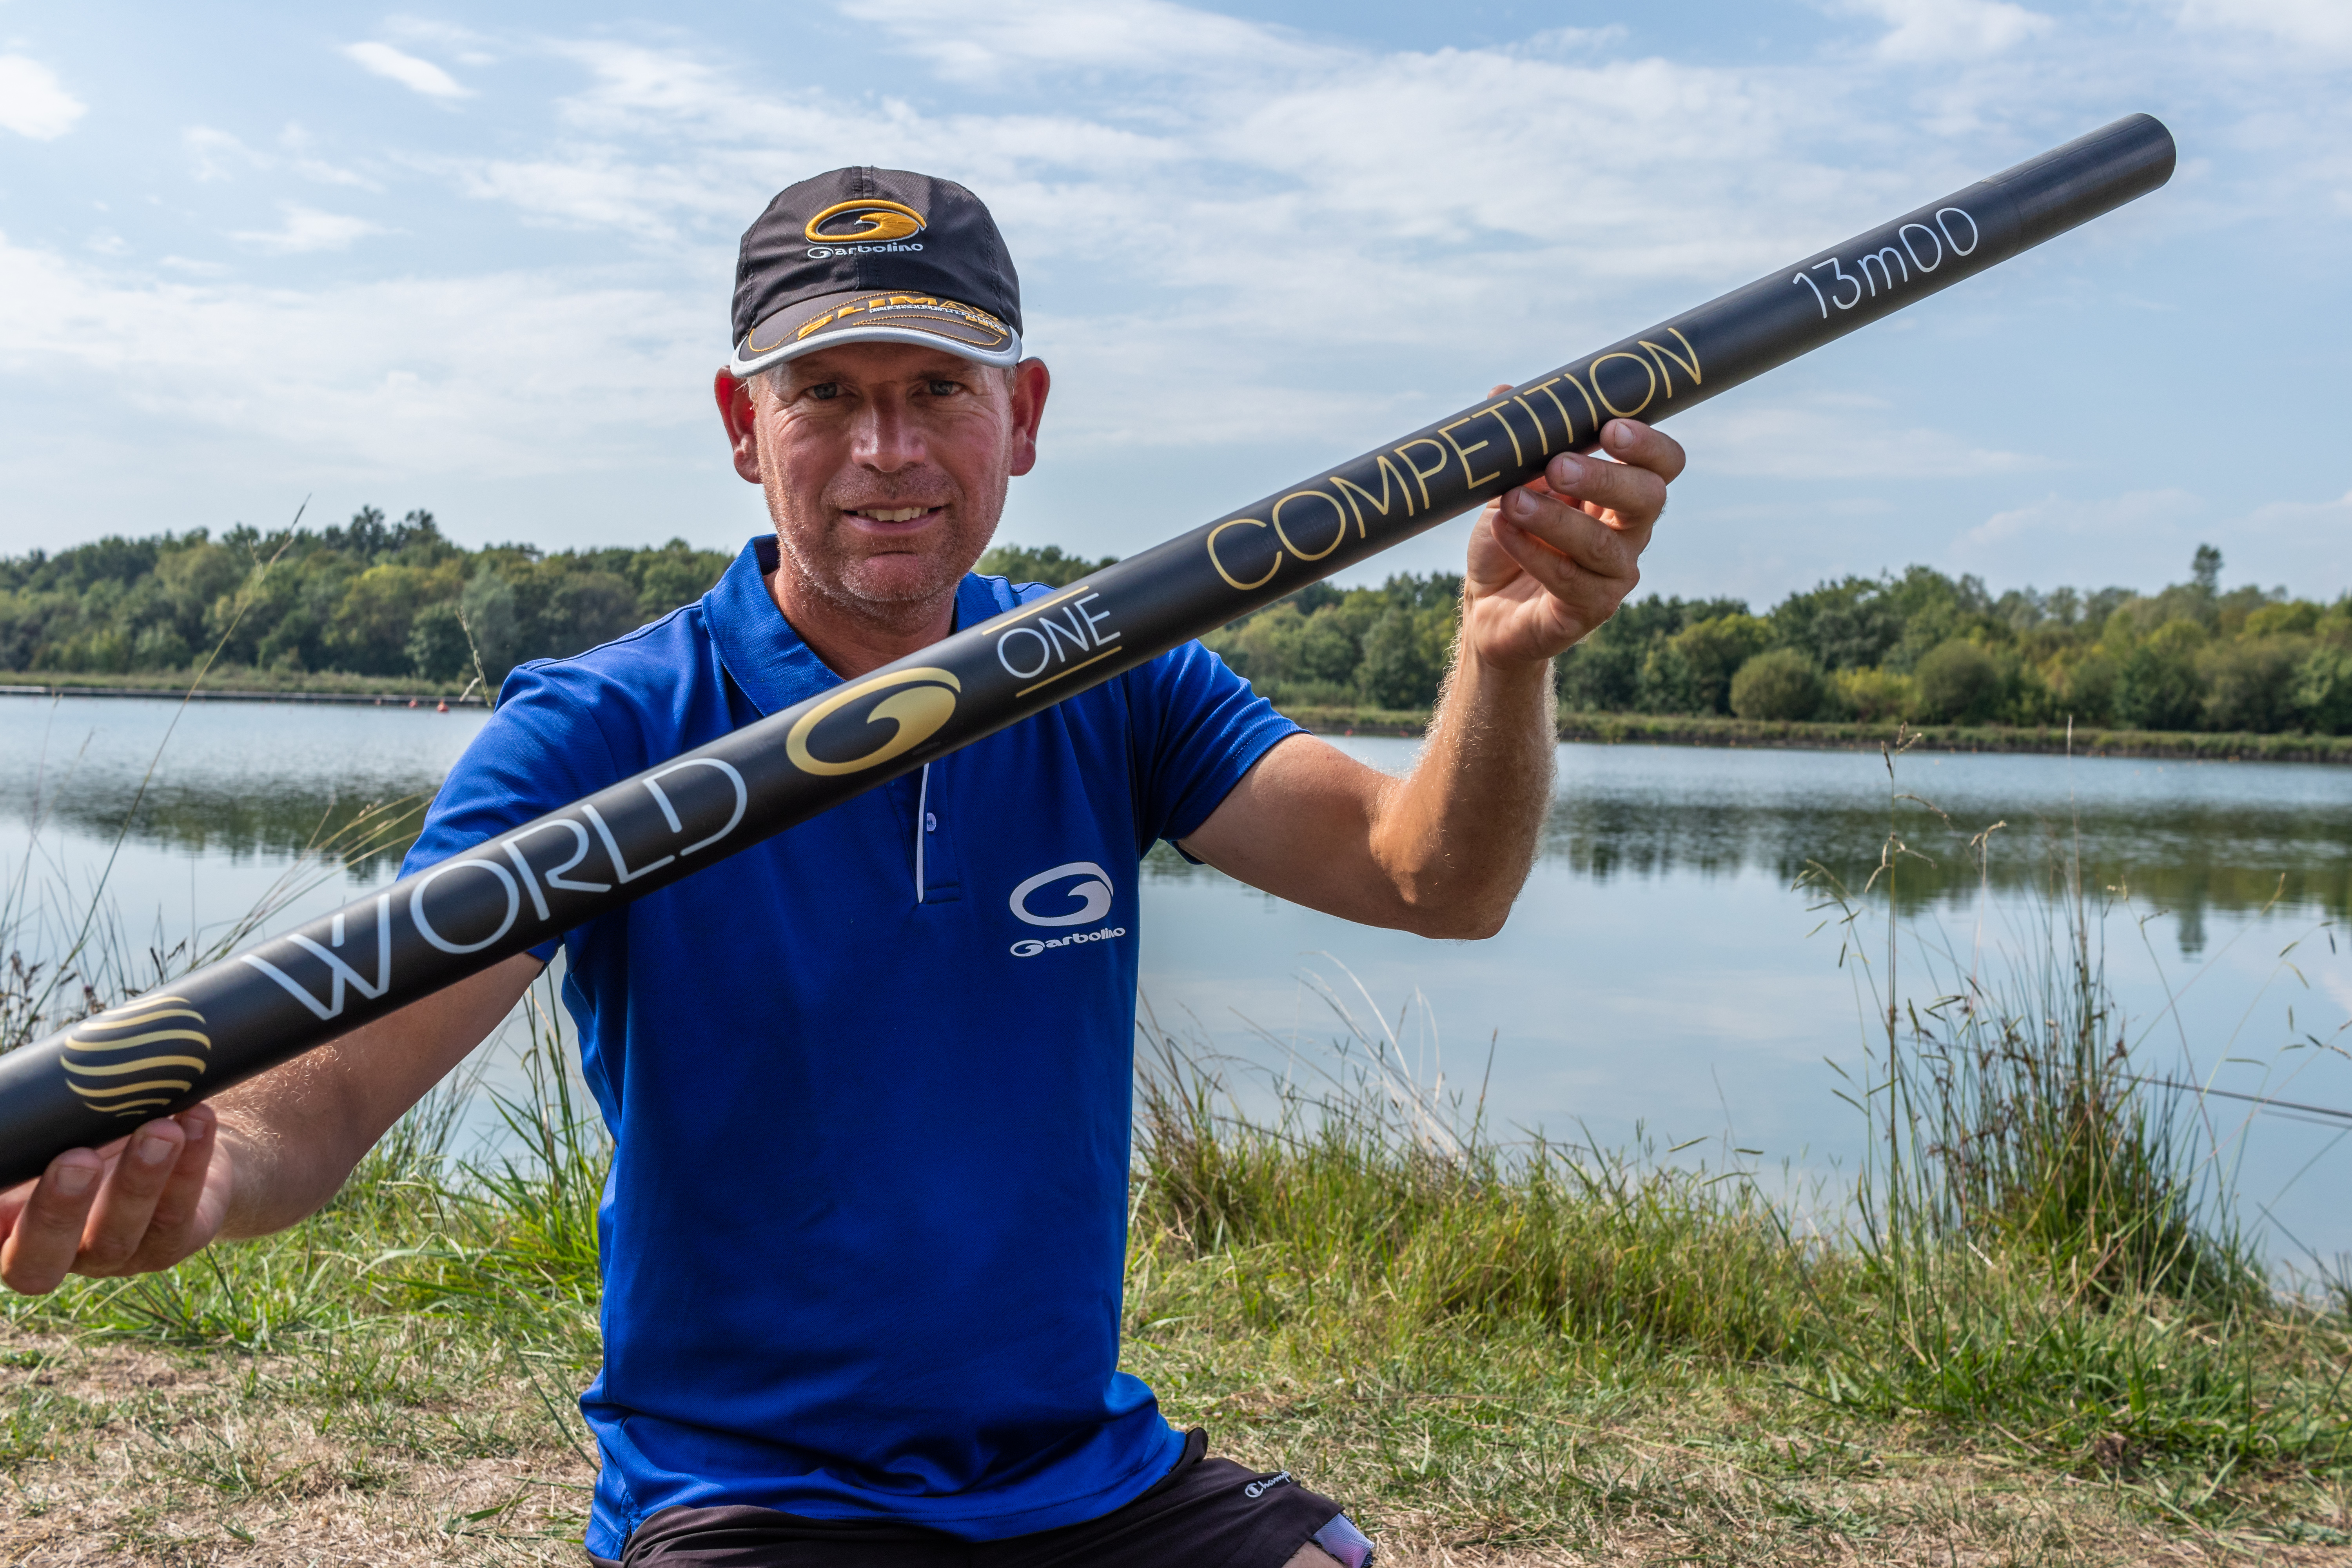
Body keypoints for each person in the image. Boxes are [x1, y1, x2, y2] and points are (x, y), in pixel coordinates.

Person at [0, 168, 1682, 1566]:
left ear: (1020, 418)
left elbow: (1429, 878)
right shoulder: (605, 727)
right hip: (753, 1497)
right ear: (747, 427)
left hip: (1082, 1475)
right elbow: (343, 1075)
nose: (887, 449)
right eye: (828, 395)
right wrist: (210, 1164)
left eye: (937, 391)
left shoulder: (1120, 671)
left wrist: (1505, 649)